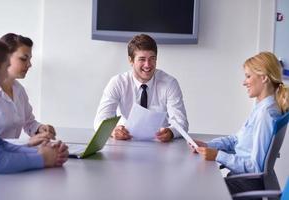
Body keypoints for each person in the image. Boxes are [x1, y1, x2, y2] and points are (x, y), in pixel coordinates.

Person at [191, 51, 289, 194]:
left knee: (197, 189)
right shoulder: (261, 107)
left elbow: (256, 167)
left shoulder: (266, 114)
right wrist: (208, 146)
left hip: (246, 183)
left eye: (248, 76)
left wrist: (218, 155)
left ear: (264, 78)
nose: (244, 82)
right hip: (242, 179)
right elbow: (237, 140)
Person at [0, 35, 68, 174]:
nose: (29, 64)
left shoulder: (18, 89)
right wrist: (41, 157)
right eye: (7, 66)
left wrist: (43, 150)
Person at [94, 34, 188, 142]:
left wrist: (171, 132)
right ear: (131, 60)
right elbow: (100, 121)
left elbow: (181, 123)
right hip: (125, 142)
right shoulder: (117, 83)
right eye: (142, 59)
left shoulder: (170, 83)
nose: (147, 65)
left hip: (160, 144)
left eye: (152, 59)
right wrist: (112, 131)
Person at [0, 33, 55, 146]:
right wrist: (27, 145)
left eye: (29, 59)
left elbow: (28, 122)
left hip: (11, 157)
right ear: (6, 57)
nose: (29, 64)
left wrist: (40, 129)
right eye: (23, 59)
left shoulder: (19, 89)